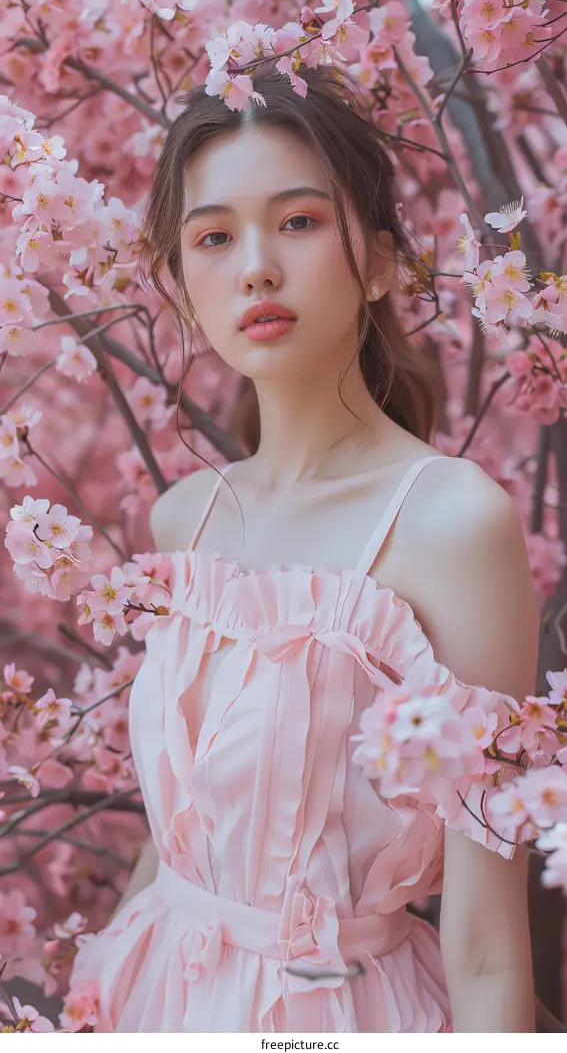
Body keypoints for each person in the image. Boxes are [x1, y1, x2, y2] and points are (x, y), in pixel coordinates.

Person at [67, 61, 538, 1032]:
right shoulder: (182, 522)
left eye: (297, 221)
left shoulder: (452, 521)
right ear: (179, 280)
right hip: (156, 995)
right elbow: (183, 836)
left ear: (375, 257)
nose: (255, 268)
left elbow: (489, 940)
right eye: (214, 236)